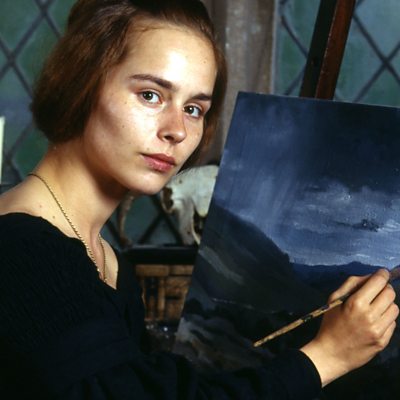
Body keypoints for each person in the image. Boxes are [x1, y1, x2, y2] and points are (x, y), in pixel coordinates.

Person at [0, 0, 398, 398]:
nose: (177, 130)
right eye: (151, 95)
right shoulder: (24, 250)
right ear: (80, 83)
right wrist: (328, 356)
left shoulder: (106, 260)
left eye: (193, 108)